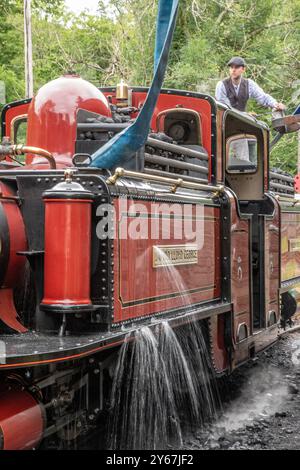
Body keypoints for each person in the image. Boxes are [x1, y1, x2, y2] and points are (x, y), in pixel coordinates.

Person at [215, 56, 285, 112]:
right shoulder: (221, 85)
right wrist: (246, 115)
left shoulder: (249, 84)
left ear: (243, 69)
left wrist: (276, 104)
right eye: (231, 67)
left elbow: (263, 97)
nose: (233, 70)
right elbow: (225, 109)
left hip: (240, 124)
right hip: (222, 123)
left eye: (236, 67)